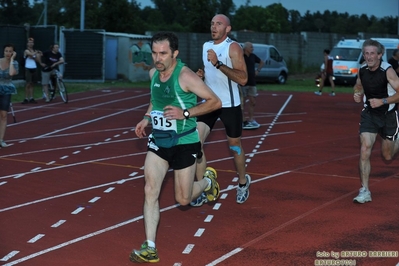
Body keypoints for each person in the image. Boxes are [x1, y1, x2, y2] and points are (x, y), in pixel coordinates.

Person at [129, 32, 222, 263]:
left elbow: (214, 102)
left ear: (175, 54)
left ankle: (208, 182)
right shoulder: (153, 74)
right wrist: (146, 118)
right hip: (160, 140)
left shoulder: (186, 76)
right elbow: (156, 100)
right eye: (154, 53)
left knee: (183, 199)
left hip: (184, 142)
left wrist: (185, 113)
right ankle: (150, 247)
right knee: (150, 188)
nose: (157, 58)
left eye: (163, 53)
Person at [191, 14, 251, 206]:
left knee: (235, 146)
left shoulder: (233, 48)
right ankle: (202, 186)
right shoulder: (205, 46)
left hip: (229, 105)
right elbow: (208, 71)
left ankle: (243, 182)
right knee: (195, 145)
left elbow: (243, 79)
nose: (214, 27)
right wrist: (201, 75)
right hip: (209, 103)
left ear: (228, 29)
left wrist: (218, 63)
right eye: (212, 24)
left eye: (218, 24)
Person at [353, 39, 399, 204]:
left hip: (388, 115)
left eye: (373, 53)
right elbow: (358, 85)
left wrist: (383, 101)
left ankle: (397, 139)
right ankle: (365, 190)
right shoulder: (362, 70)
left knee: (387, 156)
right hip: (369, 114)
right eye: (366, 53)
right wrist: (357, 93)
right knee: (365, 149)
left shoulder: (388, 71)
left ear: (380, 55)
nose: (369, 56)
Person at [240, 41, 264, 130]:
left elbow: (262, 62)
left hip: (252, 82)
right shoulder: (241, 57)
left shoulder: (253, 56)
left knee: (253, 101)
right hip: (243, 83)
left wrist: (258, 70)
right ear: (246, 48)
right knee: (242, 103)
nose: (252, 49)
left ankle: (251, 119)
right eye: (251, 47)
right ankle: (242, 120)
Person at [0, 44, 18, 148]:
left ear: (13, 53)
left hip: (6, 90)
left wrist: (12, 60)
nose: (8, 53)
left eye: (10, 51)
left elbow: (11, 73)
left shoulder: (14, 63)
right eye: (6, 51)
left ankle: (1, 139)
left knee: (3, 115)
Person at [22, 38, 41, 104]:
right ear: (27, 43)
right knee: (28, 83)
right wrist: (35, 54)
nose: (31, 43)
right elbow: (31, 55)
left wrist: (35, 55)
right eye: (29, 42)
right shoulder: (26, 50)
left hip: (34, 67)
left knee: (32, 83)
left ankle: (32, 97)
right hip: (28, 67)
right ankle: (26, 98)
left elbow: (37, 59)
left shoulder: (34, 50)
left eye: (32, 42)